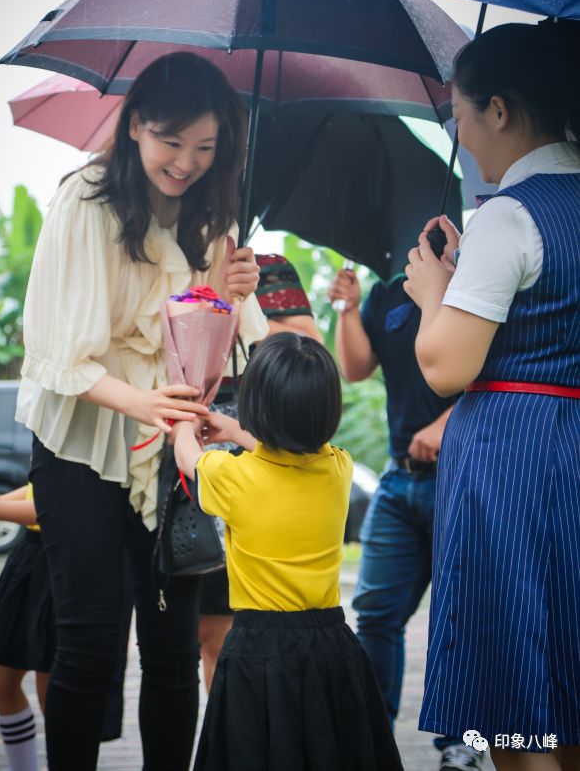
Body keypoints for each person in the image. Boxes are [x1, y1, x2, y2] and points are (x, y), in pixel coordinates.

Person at [16, 52, 268, 771]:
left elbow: (212, 358)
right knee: (89, 643)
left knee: (170, 649)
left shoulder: (214, 213)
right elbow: (59, 355)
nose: (185, 162)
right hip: (82, 447)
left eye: (205, 147)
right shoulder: (87, 201)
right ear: (134, 127)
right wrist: (143, 401)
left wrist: (229, 293)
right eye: (170, 140)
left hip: (170, 452)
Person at [403, 20, 580, 771]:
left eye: (460, 112)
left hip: (513, 459)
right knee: (565, 673)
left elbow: (445, 365)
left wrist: (432, 291)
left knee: (514, 695)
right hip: (569, 446)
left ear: (500, 111)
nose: (460, 130)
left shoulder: (509, 213)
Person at [174, 332, 404, 771]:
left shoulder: (230, 477)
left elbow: (189, 457)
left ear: (254, 407)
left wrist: (187, 420)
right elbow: (291, 453)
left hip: (259, 650)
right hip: (331, 645)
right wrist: (238, 432)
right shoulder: (339, 468)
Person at [326, 269, 475, 770]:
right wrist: (347, 307)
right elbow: (356, 368)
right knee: (375, 613)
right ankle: (374, 737)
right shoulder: (385, 291)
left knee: (457, 614)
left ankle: (461, 745)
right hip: (397, 478)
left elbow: (498, 368)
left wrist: (445, 421)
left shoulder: (472, 280)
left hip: (460, 474)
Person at [198, 253, 323, 692]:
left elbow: (310, 346)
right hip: (191, 430)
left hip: (252, 435)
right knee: (206, 632)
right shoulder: (147, 260)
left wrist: (245, 317)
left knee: (233, 626)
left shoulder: (268, 267)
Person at [0, 486, 132, 771]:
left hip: (67, 560)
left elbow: (60, 506)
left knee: (56, 699)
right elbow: (41, 482)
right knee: (1, 682)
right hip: (34, 553)